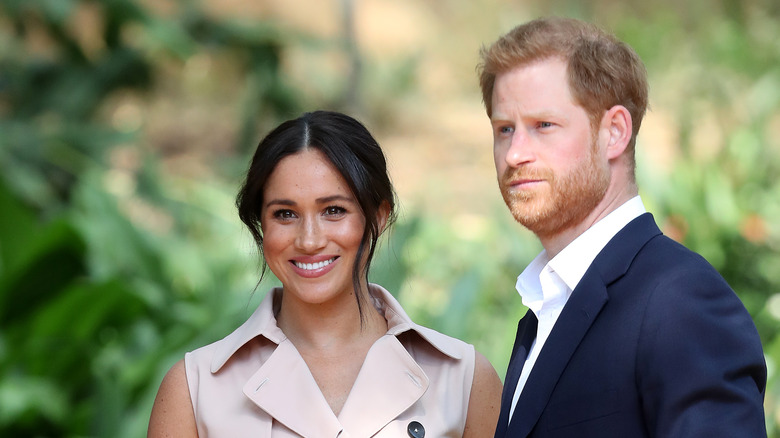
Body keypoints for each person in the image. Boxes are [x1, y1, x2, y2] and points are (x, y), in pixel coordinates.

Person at [477, 17, 767, 437]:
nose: (515, 153)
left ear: (614, 132)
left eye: (543, 126)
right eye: (505, 129)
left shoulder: (681, 302)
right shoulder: (547, 306)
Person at [147, 110, 502, 437]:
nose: (309, 240)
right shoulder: (194, 389)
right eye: (285, 214)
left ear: (378, 216)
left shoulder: (464, 380)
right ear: (261, 225)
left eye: (333, 210)